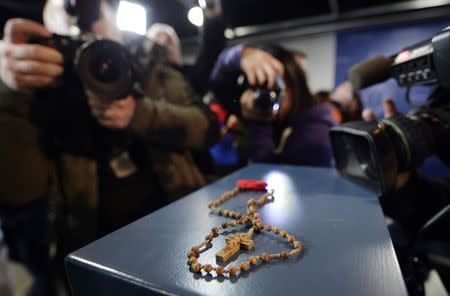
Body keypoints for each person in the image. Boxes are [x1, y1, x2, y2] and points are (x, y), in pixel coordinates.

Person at [0, 0, 219, 294]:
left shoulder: (155, 67)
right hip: (96, 259)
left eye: (93, 13)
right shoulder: (40, 98)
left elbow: (207, 129)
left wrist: (141, 114)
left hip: (188, 233)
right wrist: (10, 96)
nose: (86, 27)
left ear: (115, 18)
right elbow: (20, 193)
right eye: (69, 17)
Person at [209, 44, 336, 167]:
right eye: (257, 87)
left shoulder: (315, 133)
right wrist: (241, 55)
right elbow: (217, 84)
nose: (265, 96)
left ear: (295, 85)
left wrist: (259, 125)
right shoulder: (251, 107)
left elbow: (272, 180)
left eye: (275, 89)